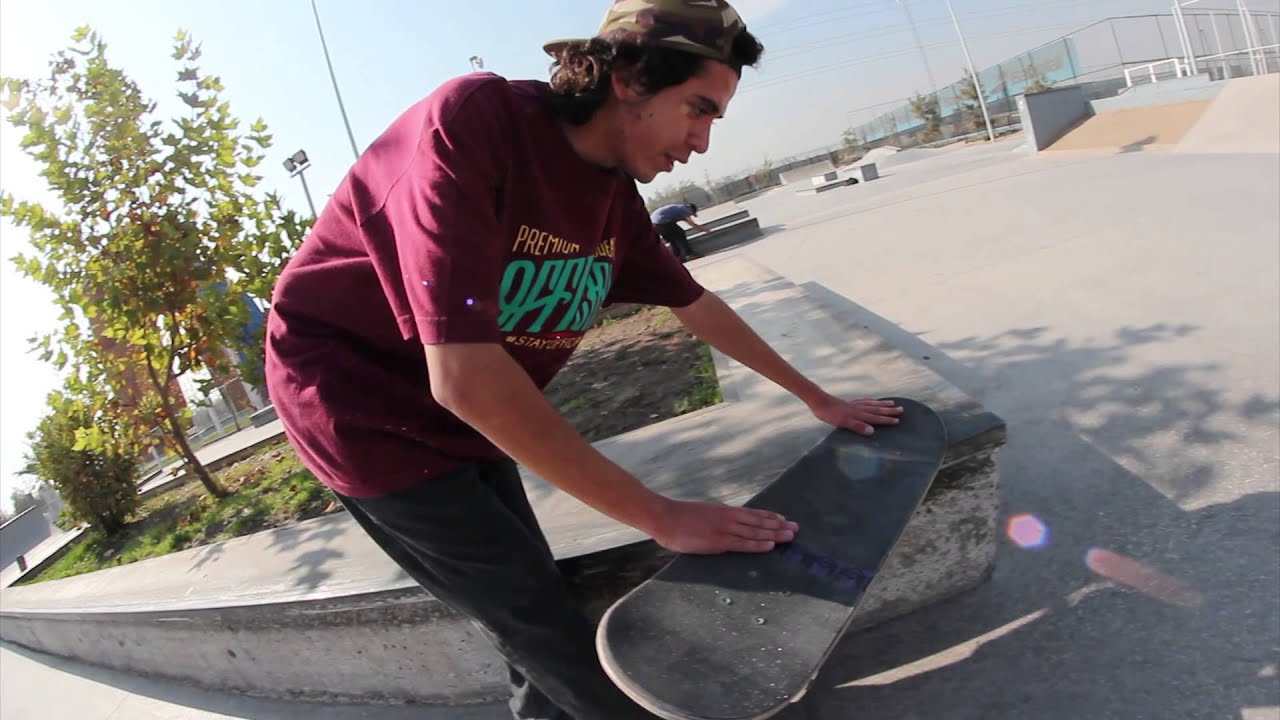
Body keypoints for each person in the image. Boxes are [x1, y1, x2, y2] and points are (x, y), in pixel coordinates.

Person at [263, 1, 903, 717]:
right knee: (538, 620)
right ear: (629, 77)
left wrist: (817, 397)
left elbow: (693, 303)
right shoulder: (476, 124)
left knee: (529, 598)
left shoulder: (610, 194)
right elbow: (465, 375)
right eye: (697, 109)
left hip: (465, 412)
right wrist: (659, 514)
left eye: (714, 120)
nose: (700, 143)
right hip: (358, 409)